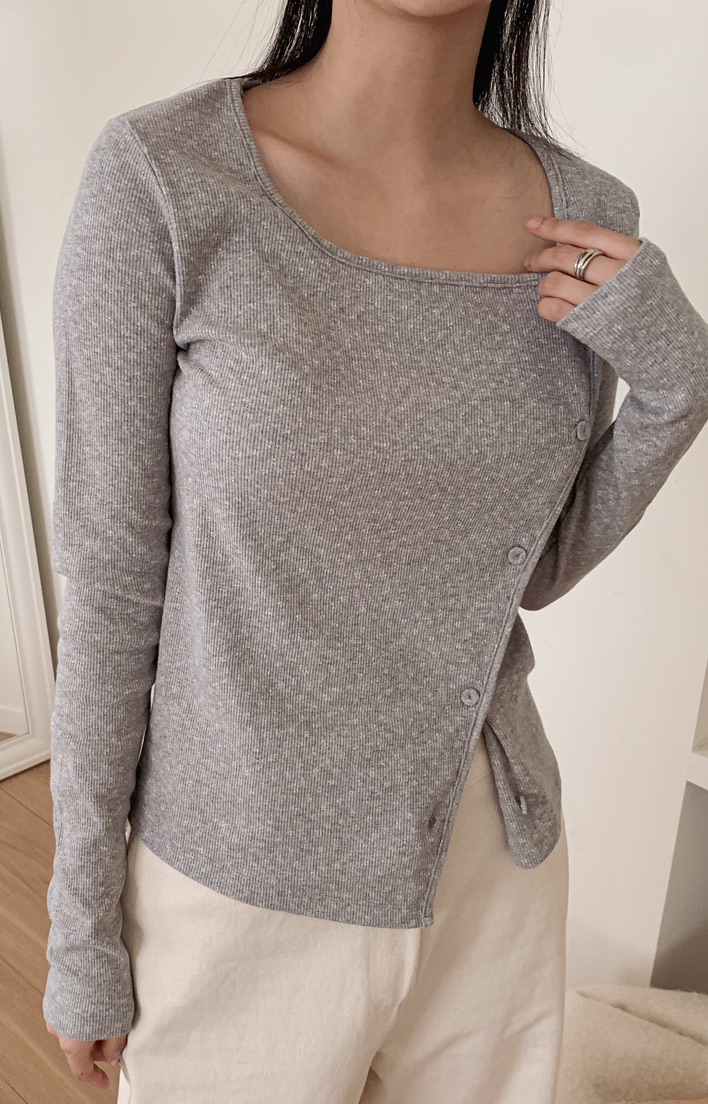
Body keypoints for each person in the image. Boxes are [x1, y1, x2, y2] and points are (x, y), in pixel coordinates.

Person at [42, 1, 708, 1101]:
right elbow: (114, 588)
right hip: (236, 878)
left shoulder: (586, 219)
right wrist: (81, 929)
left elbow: (530, 569)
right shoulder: (165, 177)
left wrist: (679, 392)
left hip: (491, 872)